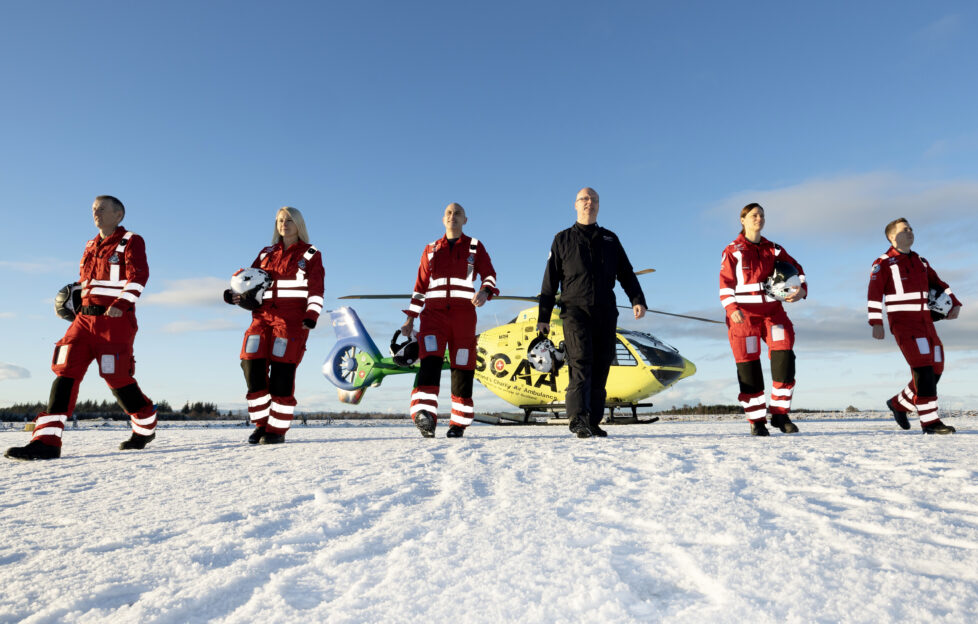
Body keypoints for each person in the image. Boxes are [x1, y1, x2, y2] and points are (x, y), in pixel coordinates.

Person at [5, 196, 157, 460]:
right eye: (93, 209)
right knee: (65, 371)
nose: (95, 213)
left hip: (115, 322)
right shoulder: (89, 244)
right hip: (83, 322)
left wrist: (122, 302)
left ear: (118, 215)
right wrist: (71, 300)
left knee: (116, 378)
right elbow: (87, 281)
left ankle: (145, 426)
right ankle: (47, 441)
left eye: (101, 209)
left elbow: (139, 275)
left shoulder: (131, 240)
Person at [537, 187, 647, 438]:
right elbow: (550, 279)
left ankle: (593, 420)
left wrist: (637, 299)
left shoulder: (610, 239)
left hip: (606, 310)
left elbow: (626, 273)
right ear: (575, 205)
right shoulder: (562, 239)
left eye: (594, 199)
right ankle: (577, 417)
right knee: (580, 360)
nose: (589, 203)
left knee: (601, 364)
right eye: (584, 199)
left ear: (599, 205)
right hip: (575, 309)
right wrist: (543, 316)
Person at [224, 207, 324, 444]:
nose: (284, 224)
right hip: (261, 319)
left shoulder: (310, 254)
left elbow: (316, 289)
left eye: (289, 220)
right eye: (280, 220)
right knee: (251, 367)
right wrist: (233, 294)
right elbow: (247, 281)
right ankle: (261, 425)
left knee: (282, 375)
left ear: (298, 223)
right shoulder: (266, 252)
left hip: (291, 323)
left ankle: (276, 430)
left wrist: (312, 315)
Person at [400, 203, 498, 438]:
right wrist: (410, 319)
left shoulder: (475, 247)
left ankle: (459, 422)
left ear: (465, 220)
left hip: (463, 318)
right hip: (433, 317)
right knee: (430, 363)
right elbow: (420, 288)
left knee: (462, 367)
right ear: (443, 219)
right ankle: (424, 414)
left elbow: (490, 275)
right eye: (449, 213)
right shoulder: (431, 249)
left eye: (458, 213)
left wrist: (485, 291)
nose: (453, 216)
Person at [719, 202, 807, 436]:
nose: (759, 219)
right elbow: (725, 283)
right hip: (744, 317)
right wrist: (731, 308)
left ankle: (780, 414)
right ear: (743, 220)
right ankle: (757, 420)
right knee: (749, 366)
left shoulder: (775, 249)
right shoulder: (733, 250)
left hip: (773, 313)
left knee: (784, 357)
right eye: (754, 215)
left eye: (762, 215)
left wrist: (801, 290)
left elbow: (797, 269)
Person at [869, 218, 962, 434]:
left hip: (927, 323)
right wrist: (876, 322)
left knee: (936, 369)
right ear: (892, 237)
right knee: (923, 370)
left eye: (911, 229)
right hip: (904, 324)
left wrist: (954, 303)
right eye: (904, 230)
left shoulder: (921, 261)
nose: (910, 232)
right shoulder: (882, 263)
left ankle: (899, 404)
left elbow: (940, 284)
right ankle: (930, 423)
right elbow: (873, 294)